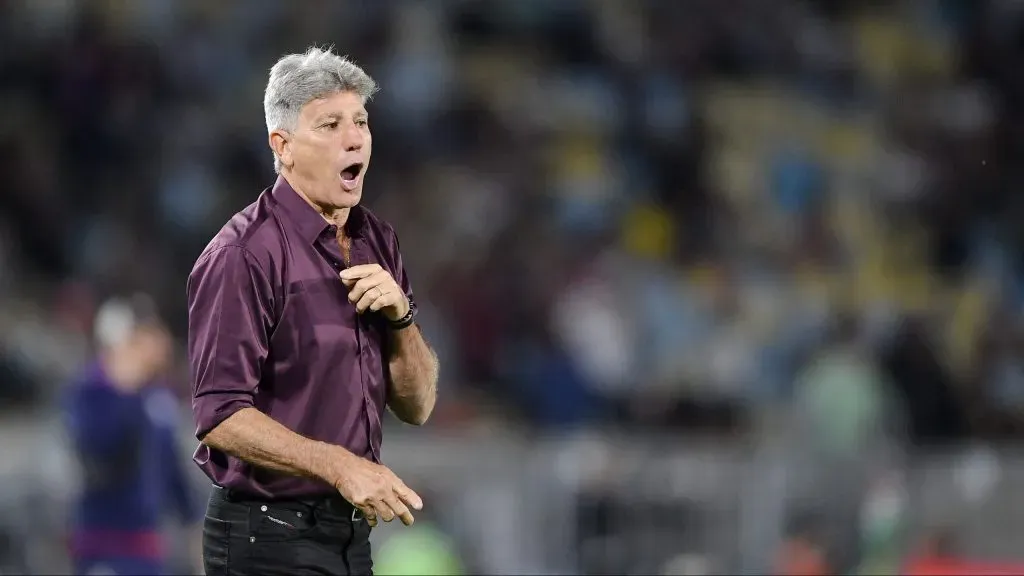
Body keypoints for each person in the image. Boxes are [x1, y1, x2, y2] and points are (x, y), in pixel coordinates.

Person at [187, 46, 440, 576]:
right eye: (330, 124)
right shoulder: (245, 253)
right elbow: (219, 415)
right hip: (266, 536)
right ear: (283, 146)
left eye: (361, 122)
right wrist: (340, 466)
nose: (354, 138)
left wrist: (402, 319)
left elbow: (418, 407)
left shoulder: (378, 241)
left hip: (348, 537)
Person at [63, 294, 202, 576]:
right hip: (104, 542)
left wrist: (194, 522)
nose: (162, 341)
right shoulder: (91, 390)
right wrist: (123, 391)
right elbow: (98, 457)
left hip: (148, 546)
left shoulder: (155, 396)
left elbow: (170, 468)